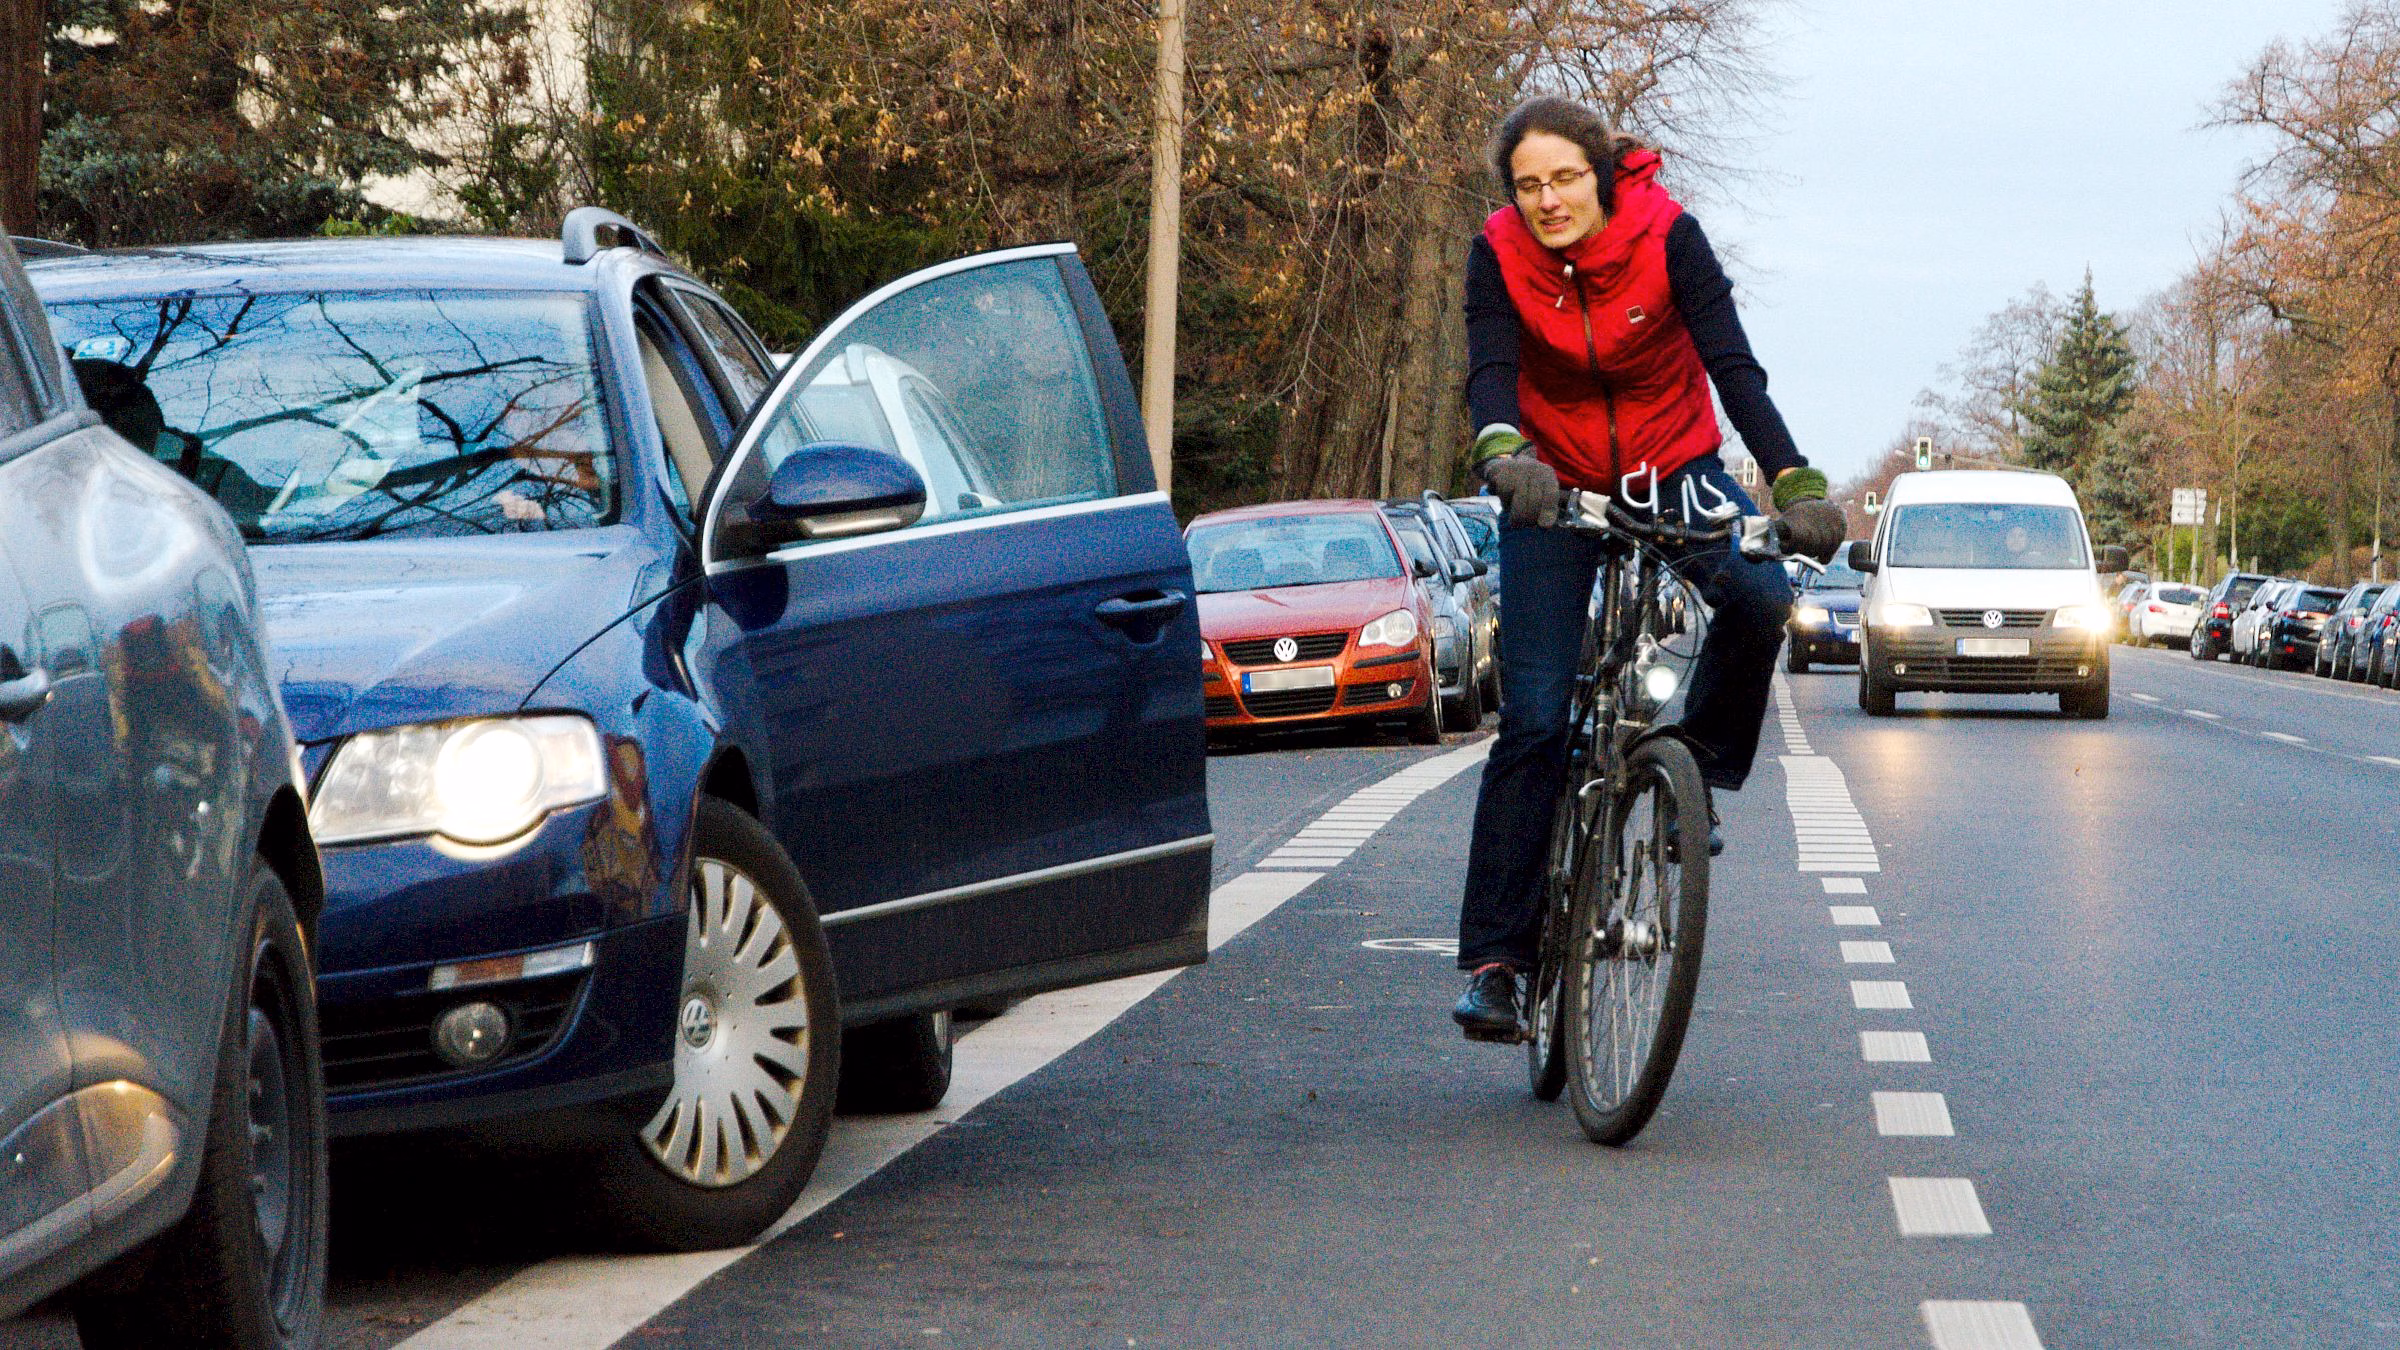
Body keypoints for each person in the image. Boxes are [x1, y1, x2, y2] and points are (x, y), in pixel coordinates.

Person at [1451, 96, 1847, 1040]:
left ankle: (1696, 770)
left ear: (1601, 174)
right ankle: (1499, 964)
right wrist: (1505, 452)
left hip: (1674, 468)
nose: (1548, 200)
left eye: (1564, 179)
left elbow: (1734, 370)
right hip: (1553, 483)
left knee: (1760, 597)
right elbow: (1491, 370)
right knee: (1535, 718)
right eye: (1529, 186)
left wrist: (1796, 482)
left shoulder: (1670, 237)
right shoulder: (1496, 253)